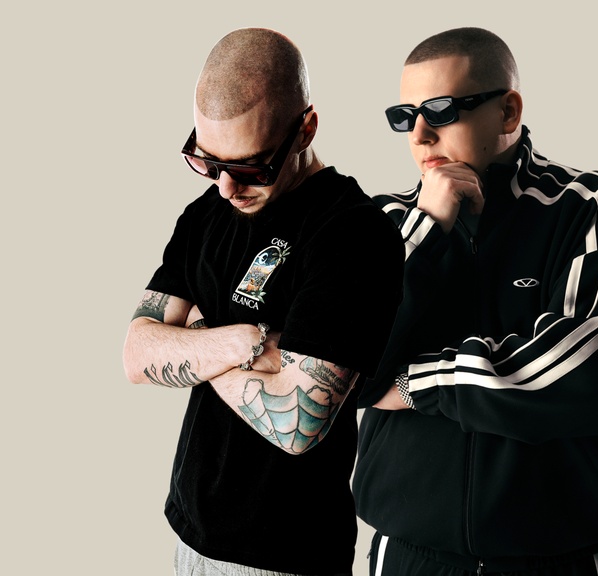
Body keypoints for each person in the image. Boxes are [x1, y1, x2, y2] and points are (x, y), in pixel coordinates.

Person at [353, 27, 598, 575]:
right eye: (405, 117)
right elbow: (342, 364)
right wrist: (427, 226)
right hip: (408, 556)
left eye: (441, 110)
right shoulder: (383, 223)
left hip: (572, 556)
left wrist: (415, 383)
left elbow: (589, 374)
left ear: (508, 111)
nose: (420, 135)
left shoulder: (591, 205)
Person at [122, 28, 404, 576]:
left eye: (252, 167)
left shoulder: (352, 234)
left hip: (286, 553)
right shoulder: (204, 215)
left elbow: (298, 424)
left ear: (306, 129)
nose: (226, 187)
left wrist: (194, 336)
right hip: (189, 532)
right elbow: (136, 355)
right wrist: (247, 341)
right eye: (208, 162)